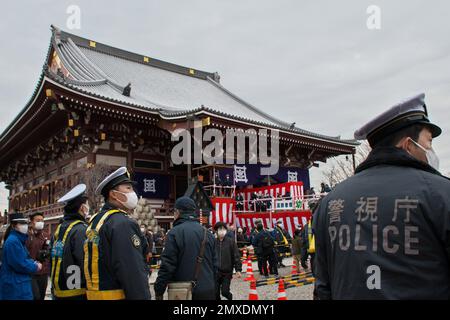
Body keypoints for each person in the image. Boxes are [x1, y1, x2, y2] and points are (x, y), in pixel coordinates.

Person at [314, 93, 450, 299]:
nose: (431, 150)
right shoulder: (441, 193)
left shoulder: (331, 201)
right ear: (408, 144)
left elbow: (323, 286)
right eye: (429, 142)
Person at [84, 167, 151, 300]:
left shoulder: (97, 220)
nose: (133, 193)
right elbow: (132, 270)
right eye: (128, 188)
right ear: (113, 194)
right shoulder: (122, 223)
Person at [154, 197, 217, 300]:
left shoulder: (174, 233)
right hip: (208, 290)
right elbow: (215, 265)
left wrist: (159, 290)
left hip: (183, 290)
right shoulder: (208, 233)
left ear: (177, 212)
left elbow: (167, 266)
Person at [50, 184, 89, 300]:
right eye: (87, 204)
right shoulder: (81, 229)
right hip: (77, 291)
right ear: (82, 208)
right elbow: (85, 261)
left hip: (59, 288)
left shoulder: (60, 228)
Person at [0, 212, 42, 300]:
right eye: (22, 223)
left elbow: (25, 258)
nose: (25, 226)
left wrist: (33, 262)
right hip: (15, 287)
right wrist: (35, 266)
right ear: (13, 225)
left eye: (25, 223)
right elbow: (19, 264)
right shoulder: (13, 241)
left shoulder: (18, 240)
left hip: (19, 284)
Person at [214, 222, 242, 300]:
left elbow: (236, 256)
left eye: (223, 229)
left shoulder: (231, 242)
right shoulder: (213, 242)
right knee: (215, 293)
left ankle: (230, 297)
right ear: (216, 231)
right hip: (215, 272)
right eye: (220, 229)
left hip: (227, 272)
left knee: (225, 292)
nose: (222, 231)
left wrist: (238, 269)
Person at [26, 212, 51, 300]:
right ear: (32, 222)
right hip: (31, 272)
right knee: (35, 296)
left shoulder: (46, 236)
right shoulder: (27, 236)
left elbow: (49, 251)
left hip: (43, 272)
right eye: (38, 220)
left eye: (42, 220)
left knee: (41, 296)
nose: (41, 222)